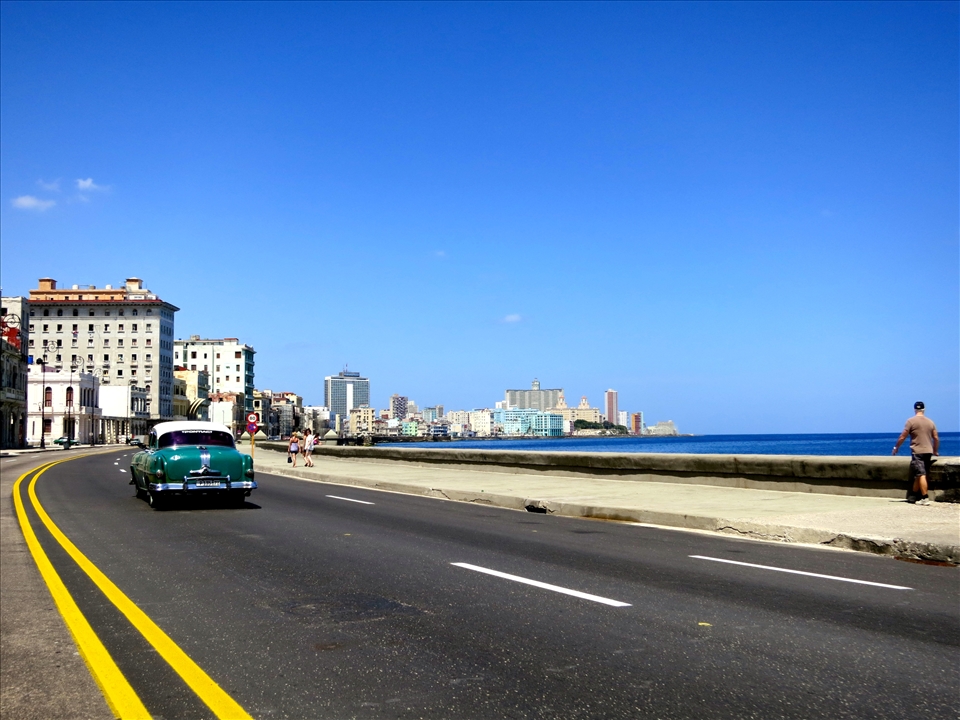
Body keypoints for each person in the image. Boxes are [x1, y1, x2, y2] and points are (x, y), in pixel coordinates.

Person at [893, 401, 939, 505]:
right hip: (928, 451)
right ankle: (913, 495)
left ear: (914, 409)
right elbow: (936, 438)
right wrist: (935, 450)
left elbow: (903, 436)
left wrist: (896, 447)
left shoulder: (911, 421)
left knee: (921, 474)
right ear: (924, 409)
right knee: (920, 474)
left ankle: (925, 497)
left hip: (917, 452)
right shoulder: (930, 422)